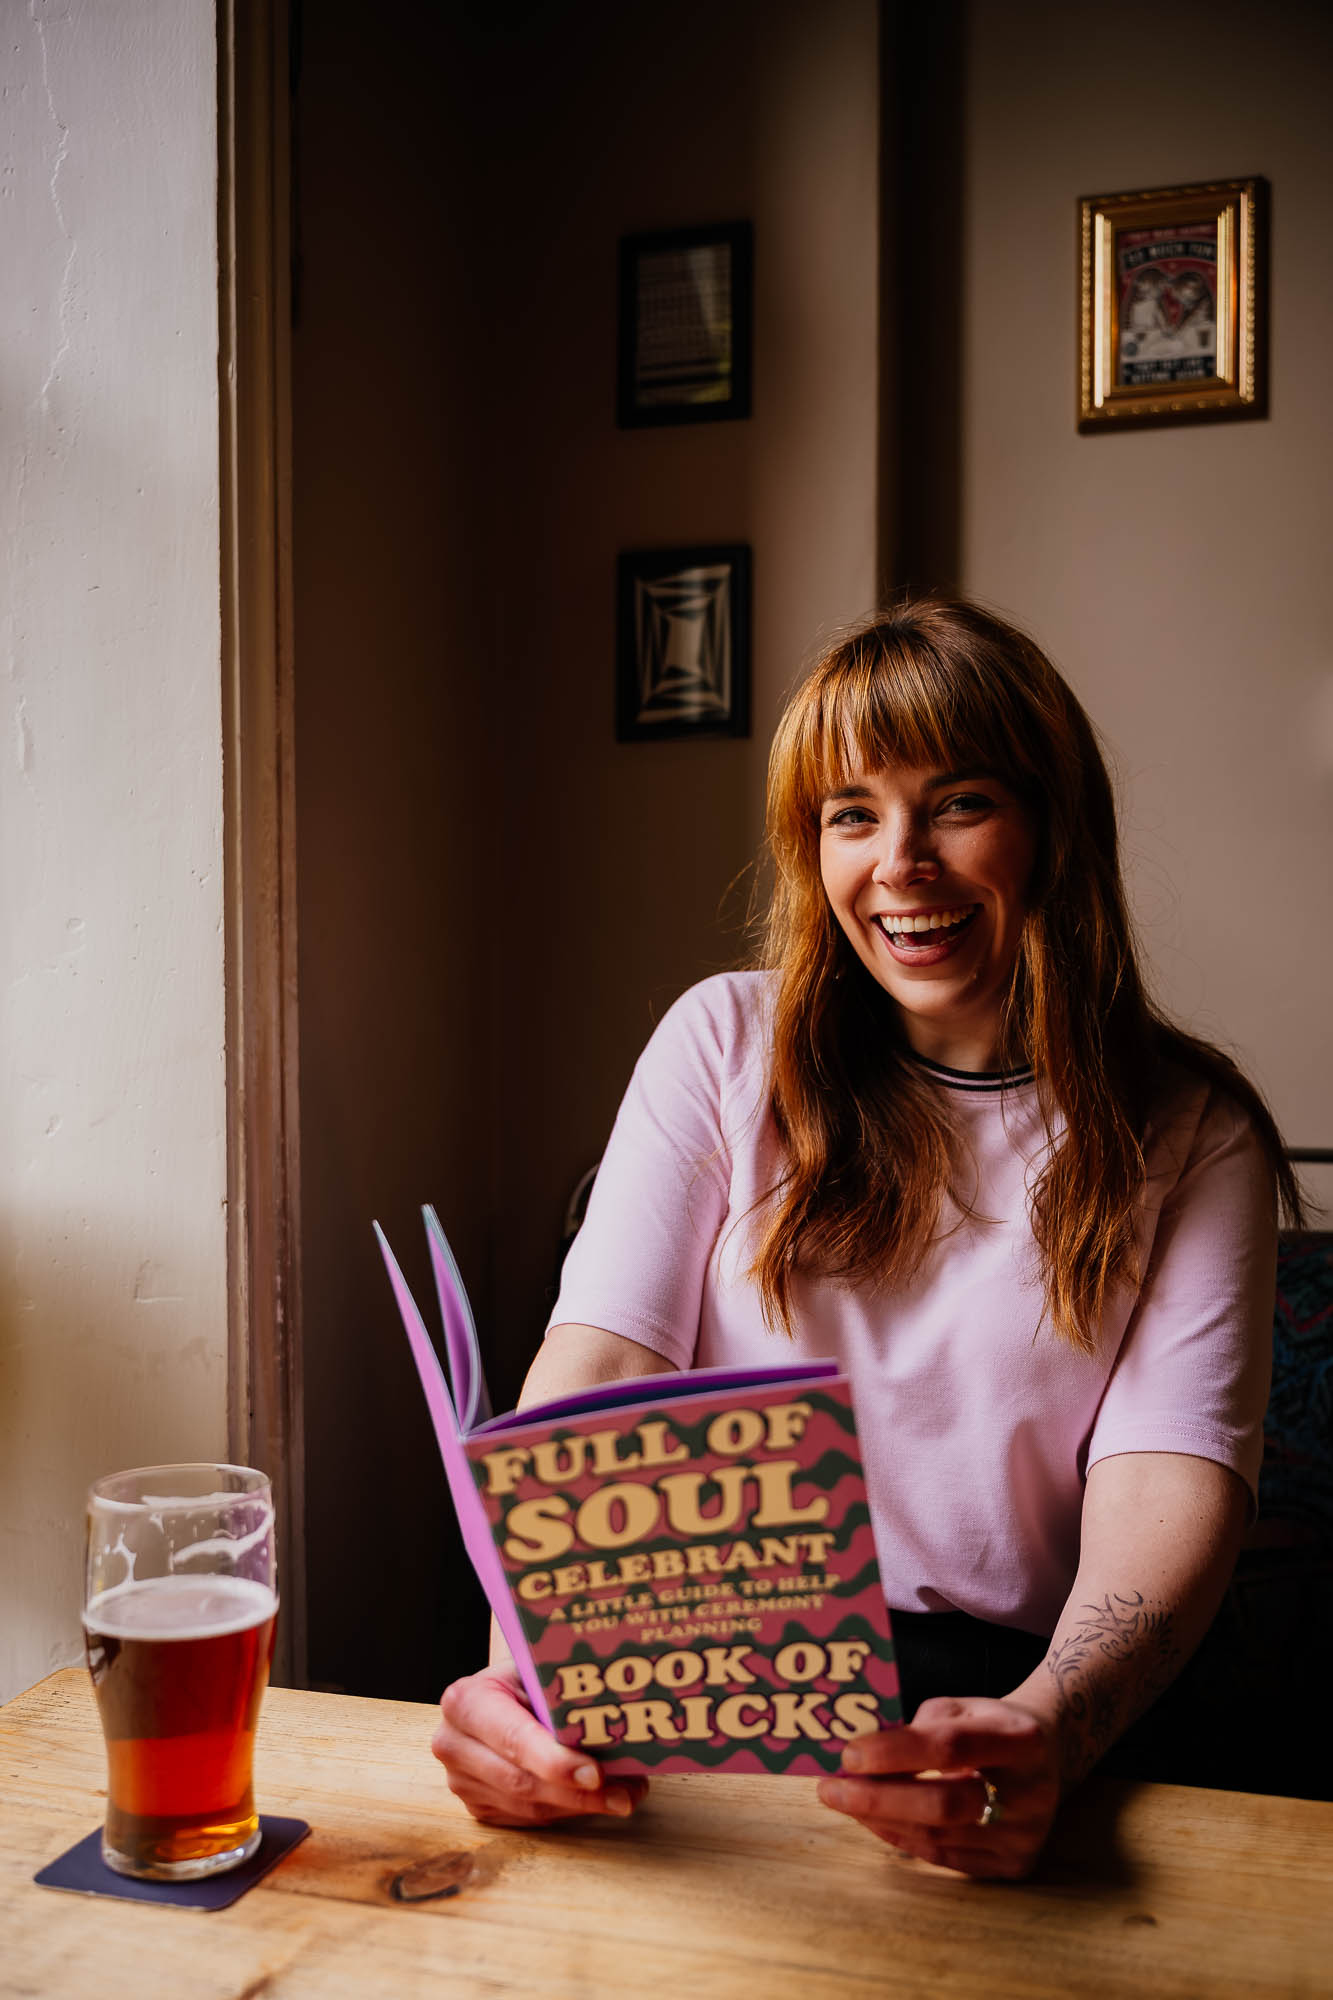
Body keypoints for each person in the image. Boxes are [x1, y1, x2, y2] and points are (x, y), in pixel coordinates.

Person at [432, 598, 1301, 1879]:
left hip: (1003, 1697)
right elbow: (597, 1368)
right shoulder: (722, 1041)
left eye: (956, 802)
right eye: (852, 812)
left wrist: (1051, 1725)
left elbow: (1172, 1483)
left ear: (1053, 829)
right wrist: (529, 1665)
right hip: (703, 1674)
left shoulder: (1193, 1127)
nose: (900, 859)